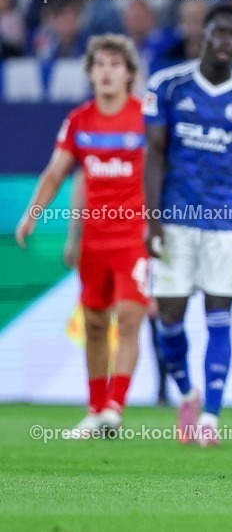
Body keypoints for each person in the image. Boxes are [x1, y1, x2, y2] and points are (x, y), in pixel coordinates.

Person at [144, 4, 232, 447]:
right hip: (176, 219)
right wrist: (152, 218)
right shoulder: (167, 86)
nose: (227, 42)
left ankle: (211, 419)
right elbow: (155, 155)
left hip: (225, 220)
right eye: (220, 32)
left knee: (220, 316)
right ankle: (186, 393)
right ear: (205, 34)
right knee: (169, 319)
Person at [15, 34, 149, 436]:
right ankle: (94, 409)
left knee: (128, 319)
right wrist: (33, 215)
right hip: (94, 240)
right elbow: (62, 174)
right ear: (90, 73)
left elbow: (165, 173)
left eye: (115, 65)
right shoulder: (80, 121)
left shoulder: (146, 117)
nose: (106, 72)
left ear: (129, 74)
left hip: (133, 238)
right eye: (100, 65)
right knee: (94, 325)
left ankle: (115, 408)